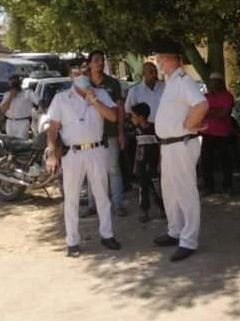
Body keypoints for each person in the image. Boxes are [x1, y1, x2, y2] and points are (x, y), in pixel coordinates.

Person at [46, 66, 121, 257]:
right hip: (73, 153)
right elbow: (53, 128)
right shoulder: (61, 98)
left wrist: (93, 99)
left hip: (97, 150)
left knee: (102, 195)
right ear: (71, 77)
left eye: (84, 73)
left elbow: (113, 116)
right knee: (71, 198)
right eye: (76, 73)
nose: (81, 76)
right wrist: (52, 153)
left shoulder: (100, 93)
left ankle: (107, 235)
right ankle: (72, 241)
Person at [152, 42, 208, 262]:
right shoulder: (172, 82)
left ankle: (189, 240)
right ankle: (174, 231)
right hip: (169, 145)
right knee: (170, 191)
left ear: (171, 59)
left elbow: (201, 104)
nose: (158, 62)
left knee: (185, 191)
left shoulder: (183, 80)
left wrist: (190, 123)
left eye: (160, 58)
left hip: (181, 144)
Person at [85, 50, 127, 217]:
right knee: (92, 170)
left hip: (110, 131)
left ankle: (118, 204)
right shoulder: (84, 83)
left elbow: (120, 108)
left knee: (114, 169)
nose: (100, 63)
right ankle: (92, 204)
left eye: (102, 60)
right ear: (89, 63)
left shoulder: (113, 83)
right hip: (90, 134)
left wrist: (121, 131)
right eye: (96, 60)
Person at [200, 72, 236, 194]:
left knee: (225, 161)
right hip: (208, 133)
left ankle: (227, 186)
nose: (214, 83)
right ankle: (209, 187)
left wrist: (209, 111)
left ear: (221, 82)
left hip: (223, 134)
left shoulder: (227, 96)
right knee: (206, 161)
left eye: (217, 81)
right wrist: (216, 111)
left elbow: (224, 113)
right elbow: (201, 112)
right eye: (212, 81)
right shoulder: (205, 97)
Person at [129, 102, 161, 223]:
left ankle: (163, 209)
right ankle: (145, 211)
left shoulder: (155, 129)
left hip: (153, 164)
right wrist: (135, 165)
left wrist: (160, 163)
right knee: (143, 188)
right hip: (141, 164)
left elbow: (160, 146)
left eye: (133, 116)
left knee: (157, 188)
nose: (132, 118)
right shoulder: (136, 130)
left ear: (141, 117)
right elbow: (138, 148)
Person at [0, 74, 39, 139]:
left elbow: (39, 102)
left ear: (20, 83)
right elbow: (3, 110)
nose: (14, 85)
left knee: (21, 142)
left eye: (16, 83)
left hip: (23, 122)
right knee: (10, 142)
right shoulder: (7, 94)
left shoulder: (28, 93)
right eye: (12, 83)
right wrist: (11, 97)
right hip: (10, 122)